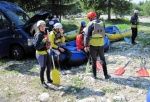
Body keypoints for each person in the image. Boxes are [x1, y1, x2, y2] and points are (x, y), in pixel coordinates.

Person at [84, 11, 111, 79]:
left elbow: (86, 35)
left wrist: (86, 45)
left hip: (93, 44)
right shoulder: (102, 23)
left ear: (90, 18)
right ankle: (106, 75)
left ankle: (94, 75)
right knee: (103, 59)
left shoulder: (90, 24)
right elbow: (103, 32)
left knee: (94, 60)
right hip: (101, 44)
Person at [33, 20, 53, 89]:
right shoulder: (38, 35)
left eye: (43, 26)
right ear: (38, 27)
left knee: (49, 66)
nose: (42, 27)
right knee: (43, 67)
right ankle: (42, 81)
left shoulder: (45, 33)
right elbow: (36, 46)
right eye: (41, 26)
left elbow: (47, 42)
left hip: (46, 52)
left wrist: (48, 44)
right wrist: (44, 44)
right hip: (40, 53)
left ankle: (48, 79)